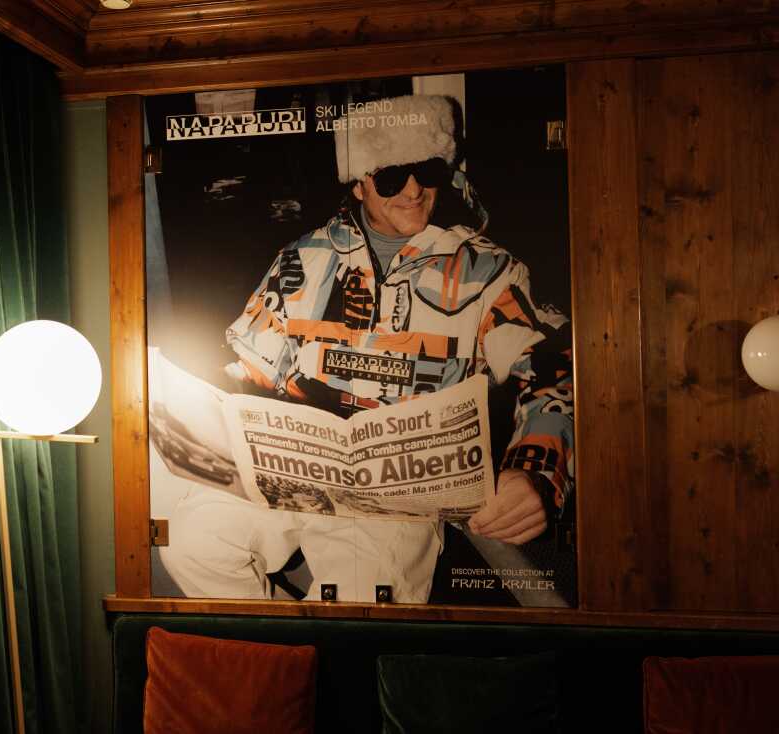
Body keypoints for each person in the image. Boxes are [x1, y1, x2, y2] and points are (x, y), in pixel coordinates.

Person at [159, 94, 574, 603]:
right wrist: (200, 407)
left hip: (403, 494)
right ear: (358, 183)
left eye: (428, 171)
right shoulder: (302, 258)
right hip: (300, 474)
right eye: (392, 177)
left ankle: (319, 649)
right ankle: (286, 648)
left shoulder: (490, 271)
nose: (414, 191)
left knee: (357, 592)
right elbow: (251, 364)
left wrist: (535, 472)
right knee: (192, 541)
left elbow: (552, 372)